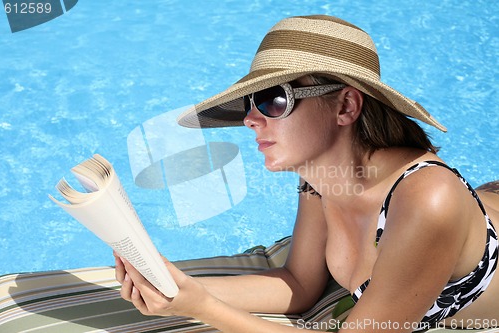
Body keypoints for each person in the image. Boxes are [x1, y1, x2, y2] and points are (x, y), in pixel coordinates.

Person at [114, 15, 499, 332]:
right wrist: (178, 288)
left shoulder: (427, 199)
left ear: (346, 105)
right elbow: (300, 283)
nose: (249, 119)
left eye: (273, 99)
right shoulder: (322, 176)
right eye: (250, 102)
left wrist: (202, 308)